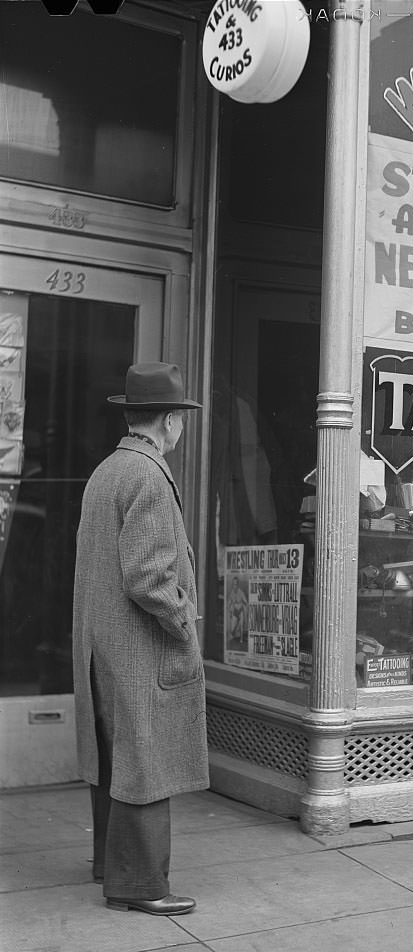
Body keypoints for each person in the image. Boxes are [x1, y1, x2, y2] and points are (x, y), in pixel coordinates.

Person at [72, 362, 208, 916]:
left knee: (115, 758)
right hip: (140, 647)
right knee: (145, 764)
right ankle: (142, 886)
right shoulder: (149, 475)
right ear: (172, 421)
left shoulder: (109, 469)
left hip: (103, 645)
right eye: (181, 418)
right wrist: (184, 623)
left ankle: (113, 865)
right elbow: (149, 578)